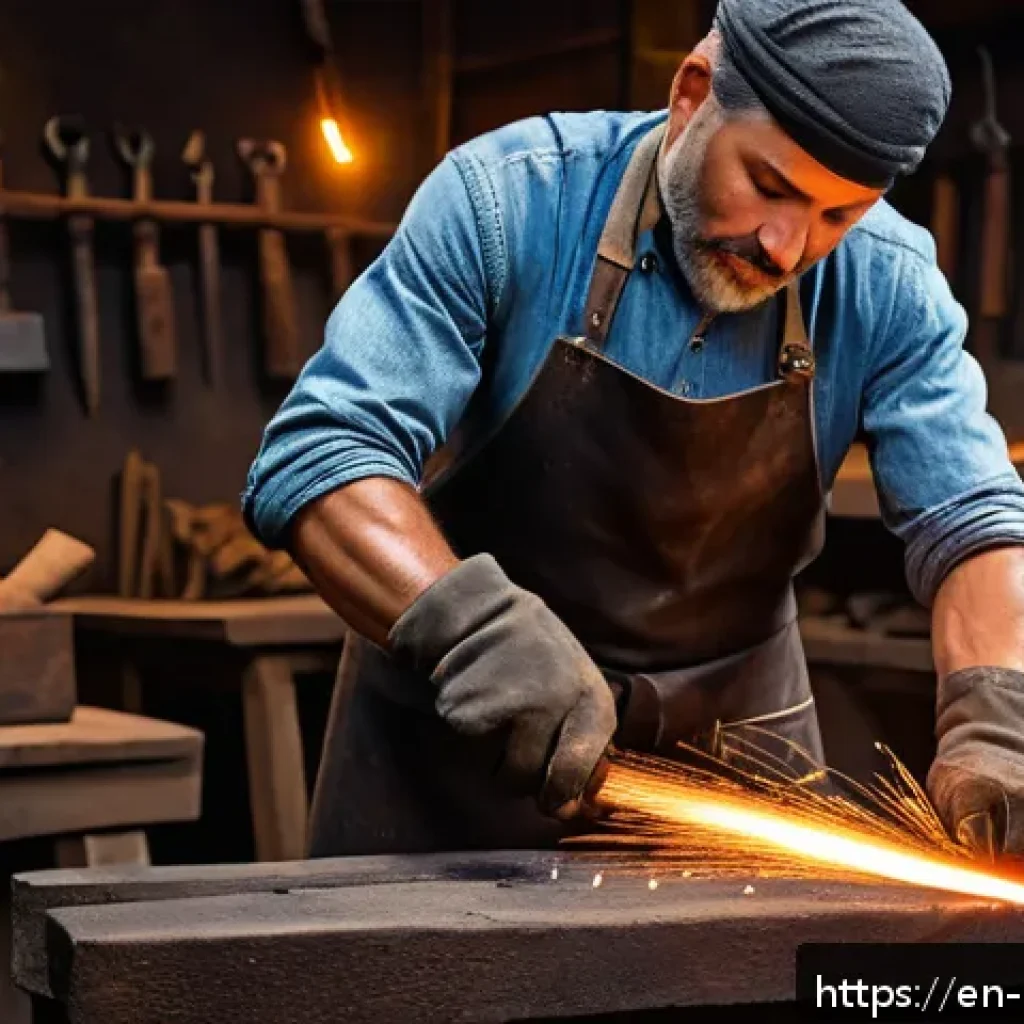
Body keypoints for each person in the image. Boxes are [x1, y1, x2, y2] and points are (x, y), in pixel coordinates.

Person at [244, 0, 1024, 859]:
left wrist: (999, 721)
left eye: (838, 216)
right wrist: (471, 629)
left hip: (737, 770)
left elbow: (975, 525)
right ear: (693, 93)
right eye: (770, 185)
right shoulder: (508, 201)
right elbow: (321, 453)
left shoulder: (889, 282)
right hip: (460, 757)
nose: (786, 245)